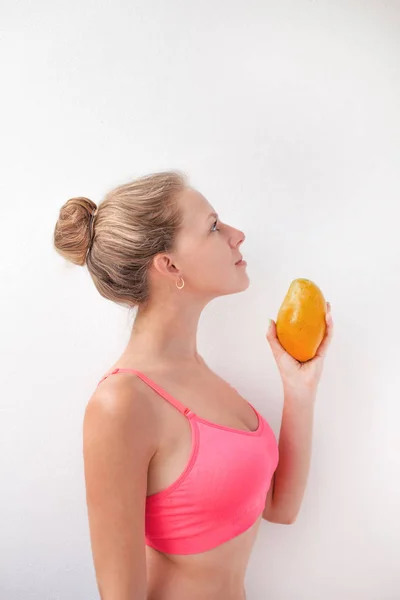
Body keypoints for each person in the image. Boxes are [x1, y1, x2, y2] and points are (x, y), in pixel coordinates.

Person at [53, 170, 333, 600]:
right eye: (214, 227)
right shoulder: (121, 404)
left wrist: (300, 388)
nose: (237, 235)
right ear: (170, 265)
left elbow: (280, 508)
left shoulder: (204, 377)